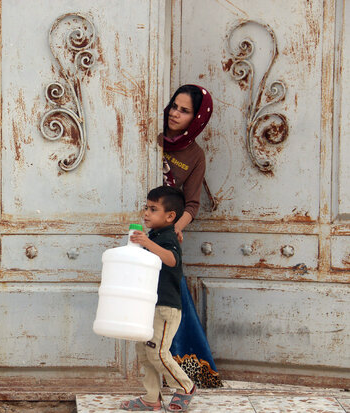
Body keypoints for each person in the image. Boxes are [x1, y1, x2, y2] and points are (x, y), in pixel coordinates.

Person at [162, 84, 222, 389]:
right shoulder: (150, 134)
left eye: (184, 111)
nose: (175, 113)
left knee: (172, 300)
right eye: (174, 106)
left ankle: (183, 370)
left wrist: (175, 229)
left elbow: (192, 203)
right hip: (135, 227)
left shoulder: (194, 155)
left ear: (197, 118)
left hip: (163, 234)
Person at [120, 186, 195, 412]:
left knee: (158, 352)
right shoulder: (155, 235)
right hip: (150, 305)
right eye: (146, 208)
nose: (146, 213)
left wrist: (147, 243)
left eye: (153, 209)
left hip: (166, 308)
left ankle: (185, 386)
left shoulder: (168, 237)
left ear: (170, 216)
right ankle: (151, 398)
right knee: (145, 353)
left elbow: (171, 259)